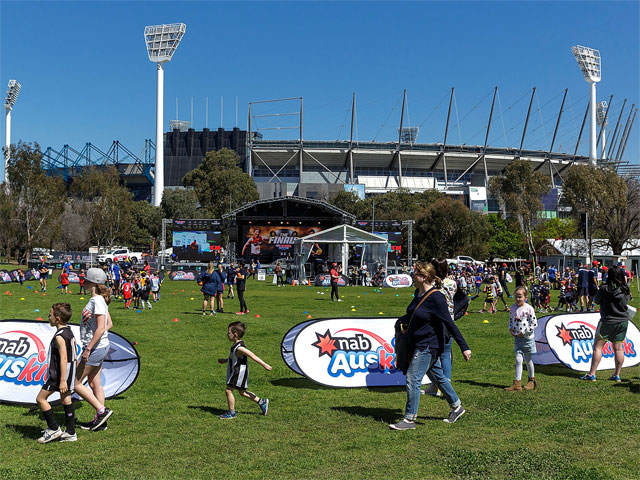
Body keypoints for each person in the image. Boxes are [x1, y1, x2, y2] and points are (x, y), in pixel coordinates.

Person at [389, 261, 471, 431]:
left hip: (428, 345)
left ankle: (409, 419)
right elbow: (415, 314)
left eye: (415, 274)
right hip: (417, 342)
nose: (412, 276)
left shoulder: (436, 297)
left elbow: (449, 323)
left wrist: (464, 347)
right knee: (438, 377)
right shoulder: (418, 293)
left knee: (413, 378)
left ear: (424, 277)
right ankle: (457, 407)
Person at [73, 268, 114, 431]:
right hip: (100, 346)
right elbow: (109, 324)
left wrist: (89, 348)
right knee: (94, 383)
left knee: (74, 383)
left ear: (93, 283)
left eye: (85, 280)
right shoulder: (100, 300)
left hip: (94, 348)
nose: (83, 282)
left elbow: (101, 328)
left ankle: (102, 411)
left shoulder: (97, 301)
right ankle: (101, 422)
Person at [580, 266, 631, 382]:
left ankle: (592, 374)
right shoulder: (625, 289)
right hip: (622, 321)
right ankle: (617, 374)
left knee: (598, 347)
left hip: (607, 320)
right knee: (619, 348)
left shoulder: (604, 289)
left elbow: (596, 301)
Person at [36, 303, 78, 443]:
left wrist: (62, 380)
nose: (48, 318)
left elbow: (64, 358)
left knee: (41, 399)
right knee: (66, 399)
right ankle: (71, 432)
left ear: (58, 318)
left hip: (59, 374)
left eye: (50, 315)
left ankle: (53, 429)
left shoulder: (59, 336)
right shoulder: (69, 331)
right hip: (69, 372)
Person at [217, 321, 272, 419]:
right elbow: (233, 357)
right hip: (237, 371)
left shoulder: (240, 348)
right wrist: (225, 360)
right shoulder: (235, 345)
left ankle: (232, 412)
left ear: (235, 335)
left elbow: (252, 356)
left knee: (228, 390)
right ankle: (261, 402)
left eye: (228, 333)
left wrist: (264, 365)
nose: (227, 335)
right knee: (242, 392)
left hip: (239, 372)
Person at [505, 286, 538, 391]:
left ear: (525, 297)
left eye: (520, 297)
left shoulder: (529, 309)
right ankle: (517, 383)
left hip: (527, 339)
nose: (518, 299)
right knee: (518, 360)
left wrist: (524, 332)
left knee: (528, 360)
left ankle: (531, 380)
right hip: (517, 338)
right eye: (516, 297)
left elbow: (534, 324)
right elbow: (511, 320)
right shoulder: (513, 308)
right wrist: (510, 328)